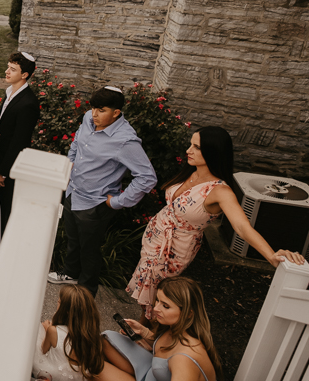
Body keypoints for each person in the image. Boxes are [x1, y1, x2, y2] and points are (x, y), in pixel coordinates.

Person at [127, 126, 306, 318]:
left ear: (214, 152)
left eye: (196, 147)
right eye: (190, 144)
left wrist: (271, 255)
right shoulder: (191, 172)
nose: (188, 150)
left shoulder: (221, 191)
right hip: (156, 236)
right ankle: (142, 329)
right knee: (147, 286)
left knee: (160, 296)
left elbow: (242, 227)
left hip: (175, 248)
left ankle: (151, 336)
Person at [48, 86, 156, 297]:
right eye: (94, 108)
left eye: (102, 110)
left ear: (116, 113)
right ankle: (70, 273)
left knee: (89, 251)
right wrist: (68, 167)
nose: (94, 114)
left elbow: (147, 177)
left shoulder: (125, 140)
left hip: (94, 204)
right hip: (73, 193)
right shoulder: (89, 117)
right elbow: (76, 144)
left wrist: (118, 202)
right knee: (73, 240)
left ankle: (86, 293)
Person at [101, 277, 220, 381]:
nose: (156, 308)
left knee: (94, 368)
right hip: (150, 370)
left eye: (165, 306)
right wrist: (144, 332)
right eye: (157, 300)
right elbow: (168, 348)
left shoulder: (183, 361)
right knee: (104, 341)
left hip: (152, 373)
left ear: (188, 313)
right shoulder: (177, 328)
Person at [0, 52, 41, 232]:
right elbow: (7, 127)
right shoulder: (9, 92)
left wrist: (3, 172)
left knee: (5, 208)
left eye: (13, 69)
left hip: (9, 167)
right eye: (8, 67)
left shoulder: (28, 103)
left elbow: (20, 141)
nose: (7, 71)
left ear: (24, 75)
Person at [32, 285, 104, 381]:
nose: (57, 303)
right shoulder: (92, 334)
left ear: (66, 311)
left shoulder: (53, 331)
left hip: (52, 374)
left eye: (59, 302)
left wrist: (46, 329)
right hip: (78, 377)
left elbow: (43, 350)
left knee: (36, 331)